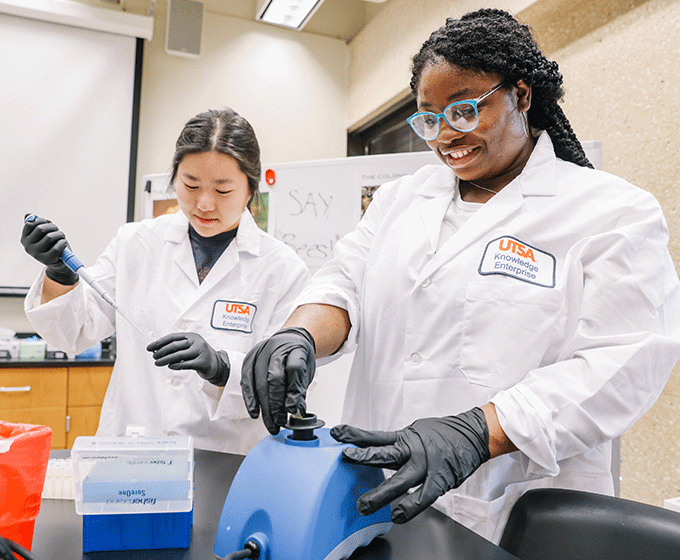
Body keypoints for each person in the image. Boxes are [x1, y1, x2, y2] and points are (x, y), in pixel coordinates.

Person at [239, 9, 680, 542]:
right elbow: (343, 283)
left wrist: (480, 432)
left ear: (521, 95)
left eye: (465, 110)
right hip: (374, 496)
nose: (446, 134)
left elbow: (621, 362)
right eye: (428, 117)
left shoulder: (610, 211)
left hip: (511, 509)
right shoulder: (401, 199)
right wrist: (300, 334)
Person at [21, 108, 310, 454]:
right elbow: (72, 333)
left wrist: (222, 369)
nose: (204, 203)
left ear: (250, 189)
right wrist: (60, 274)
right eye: (190, 185)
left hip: (224, 462)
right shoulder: (136, 243)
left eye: (222, 190)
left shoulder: (282, 269)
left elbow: (284, 384)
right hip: (131, 454)